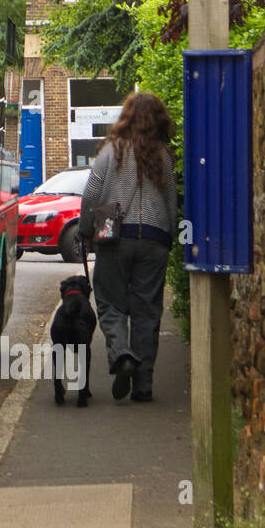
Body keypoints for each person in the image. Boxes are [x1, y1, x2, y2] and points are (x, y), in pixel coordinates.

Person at [78, 91, 178, 402]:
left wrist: (85, 231)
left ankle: (121, 355)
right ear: (158, 120)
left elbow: (91, 195)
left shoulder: (112, 151)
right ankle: (143, 386)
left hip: (114, 236)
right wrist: (168, 234)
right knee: (147, 312)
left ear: (127, 117)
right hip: (155, 238)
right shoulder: (163, 154)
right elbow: (172, 202)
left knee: (110, 303)